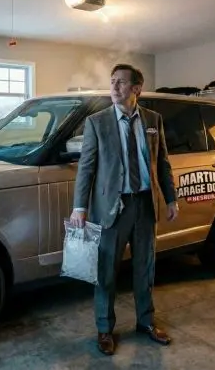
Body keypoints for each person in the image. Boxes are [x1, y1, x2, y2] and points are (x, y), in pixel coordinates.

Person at [70, 63, 179, 355]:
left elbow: (163, 162)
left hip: (144, 204)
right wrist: (79, 207)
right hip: (111, 208)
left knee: (145, 268)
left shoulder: (153, 120)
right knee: (106, 272)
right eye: (112, 81)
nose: (114, 87)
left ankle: (145, 322)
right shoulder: (97, 122)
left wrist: (171, 198)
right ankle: (105, 329)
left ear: (136, 89)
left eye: (121, 82)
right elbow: (86, 169)